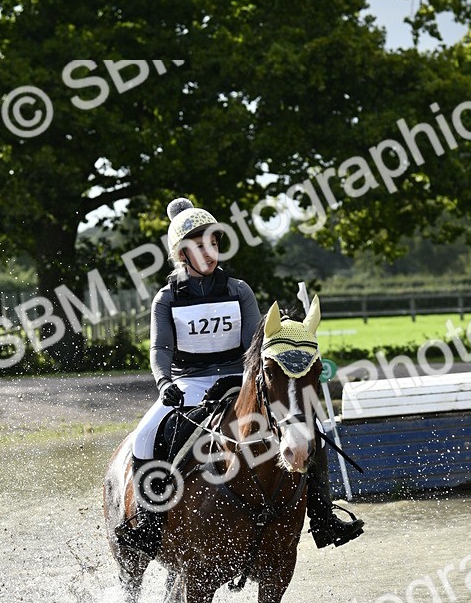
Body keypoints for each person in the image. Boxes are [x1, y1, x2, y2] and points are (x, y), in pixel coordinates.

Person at [115, 197, 364, 558]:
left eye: (213, 243)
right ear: (182, 254)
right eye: (198, 246)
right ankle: (151, 526)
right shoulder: (167, 299)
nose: (209, 252)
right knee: (145, 437)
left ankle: (323, 517)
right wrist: (164, 383)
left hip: (241, 380)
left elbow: (255, 348)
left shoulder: (239, 290)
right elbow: (160, 351)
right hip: (188, 385)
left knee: (314, 427)